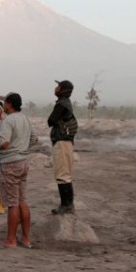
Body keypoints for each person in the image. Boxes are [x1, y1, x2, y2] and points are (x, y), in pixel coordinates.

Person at [0, 92, 34, 249]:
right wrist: (21, 148)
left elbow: (4, 143)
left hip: (10, 163)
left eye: (4, 103)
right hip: (23, 162)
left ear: (8, 104)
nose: (3, 106)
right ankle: (26, 239)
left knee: (12, 203)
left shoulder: (8, 120)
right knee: (22, 200)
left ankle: (11, 240)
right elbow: (34, 139)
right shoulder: (25, 118)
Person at [47, 79, 78, 214]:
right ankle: (67, 205)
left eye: (58, 86)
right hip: (66, 142)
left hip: (62, 142)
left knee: (62, 174)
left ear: (63, 90)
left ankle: (66, 205)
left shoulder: (61, 104)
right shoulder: (66, 103)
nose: (55, 88)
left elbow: (51, 120)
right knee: (65, 173)